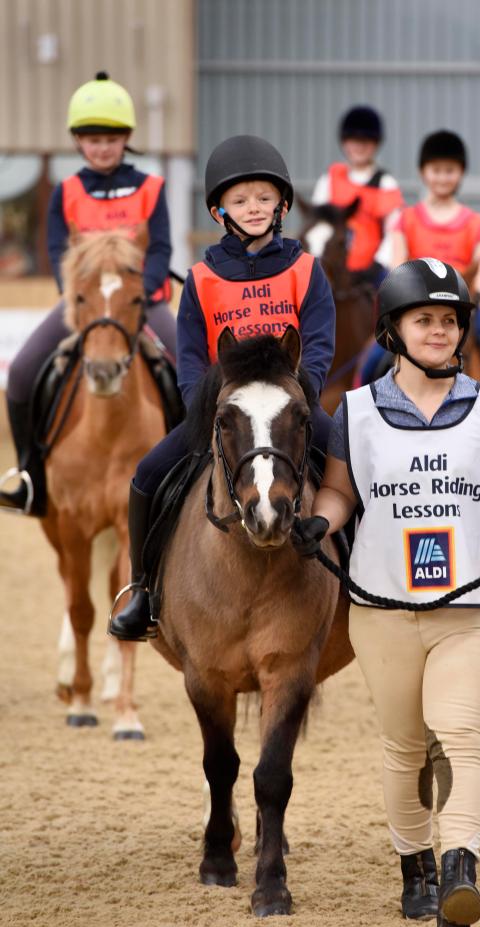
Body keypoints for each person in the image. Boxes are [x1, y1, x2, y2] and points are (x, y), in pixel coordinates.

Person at [292, 258, 480, 927]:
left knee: (461, 736)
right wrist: (322, 520)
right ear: (394, 330)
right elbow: (342, 491)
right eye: (424, 319)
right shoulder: (355, 410)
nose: (438, 330)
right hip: (381, 607)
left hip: (468, 602)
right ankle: (415, 868)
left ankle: (459, 868)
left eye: (448, 319)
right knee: (404, 746)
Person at [108, 134, 336, 641]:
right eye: (239, 200)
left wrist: (303, 396)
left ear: (281, 204)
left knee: (350, 455)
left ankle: (364, 574)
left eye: (263, 198)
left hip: (289, 406)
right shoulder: (202, 277)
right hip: (226, 411)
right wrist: (201, 409)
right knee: (148, 473)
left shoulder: (305, 270)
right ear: (218, 211)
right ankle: (143, 589)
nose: (253, 208)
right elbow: (189, 357)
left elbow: (318, 344)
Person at [0, 71, 176, 516]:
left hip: (143, 304)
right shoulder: (67, 192)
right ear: (78, 141)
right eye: (92, 138)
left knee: (194, 371)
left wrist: (139, 296)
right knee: (21, 374)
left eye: (111, 138)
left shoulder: (150, 188)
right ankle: (29, 476)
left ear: (126, 138)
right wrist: (81, 300)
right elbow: (59, 251)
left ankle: (191, 471)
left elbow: (160, 249)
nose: (102, 147)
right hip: (84, 306)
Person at [389, 129, 480, 438]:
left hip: (462, 308)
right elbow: (397, 261)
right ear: (423, 172)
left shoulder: (473, 221)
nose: (443, 177)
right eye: (436, 170)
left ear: (460, 174)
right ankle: (358, 405)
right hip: (418, 307)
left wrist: (478, 294)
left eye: (450, 171)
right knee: (375, 357)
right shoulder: (408, 219)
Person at [310, 105, 404, 286]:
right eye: (353, 140)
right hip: (333, 266)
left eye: (366, 140)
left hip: (371, 273)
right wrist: (322, 257)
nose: (359, 146)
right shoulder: (329, 180)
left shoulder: (386, 183)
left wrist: (378, 264)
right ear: (344, 142)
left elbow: (393, 230)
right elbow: (317, 225)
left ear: (376, 143)